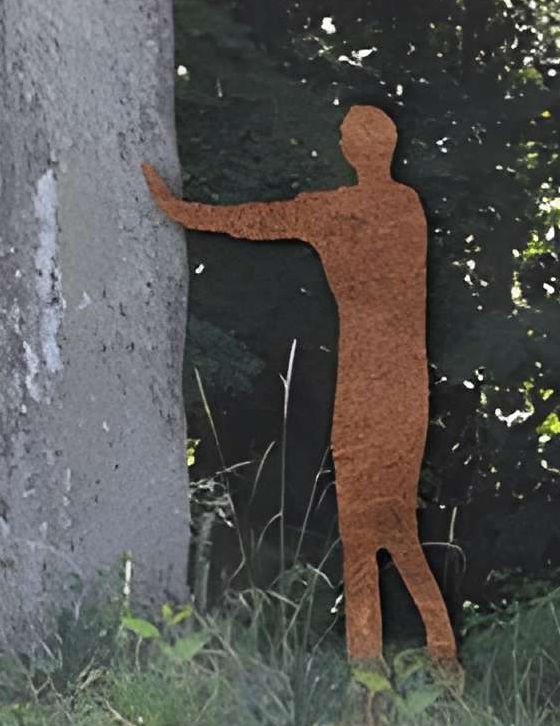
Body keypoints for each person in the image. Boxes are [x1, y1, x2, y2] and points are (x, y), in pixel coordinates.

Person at [141, 105, 460, 680]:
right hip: (407, 386)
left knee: (364, 545)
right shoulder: (406, 207)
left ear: (353, 149)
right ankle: (440, 663)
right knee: (398, 535)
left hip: (367, 385)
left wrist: (178, 210)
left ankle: (372, 684)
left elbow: (253, 220)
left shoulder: (337, 211)